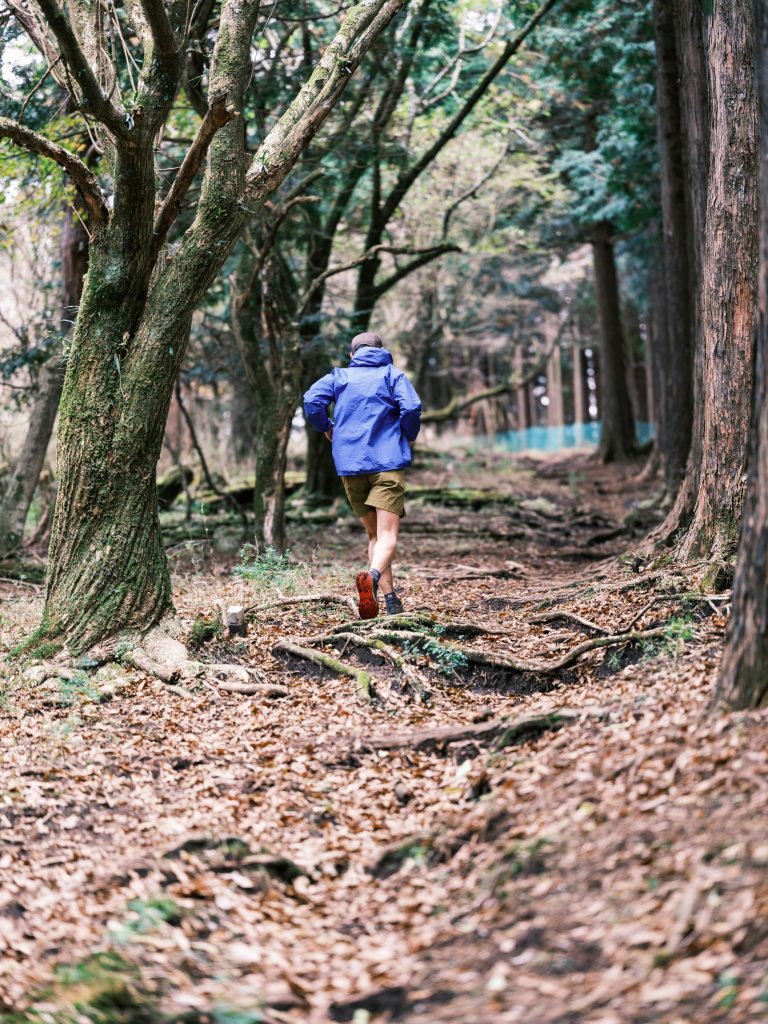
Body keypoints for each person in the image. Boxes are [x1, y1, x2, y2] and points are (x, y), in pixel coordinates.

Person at [304, 331, 422, 619]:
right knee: (387, 536)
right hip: (386, 463)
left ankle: (391, 600)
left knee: (374, 536)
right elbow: (412, 407)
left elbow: (311, 401)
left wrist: (327, 428)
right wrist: (408, 435)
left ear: (352, 355)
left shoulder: (339, 377)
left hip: (351, 465)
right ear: (380, 350)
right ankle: (371, 577)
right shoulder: (392, 375)